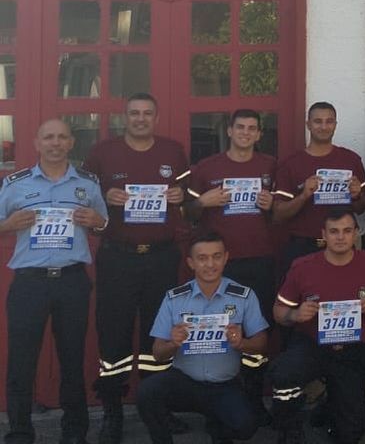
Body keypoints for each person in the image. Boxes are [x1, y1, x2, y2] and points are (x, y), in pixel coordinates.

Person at [83, 93, 191, 444]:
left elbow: (191, 195)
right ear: (124, 117)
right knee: (113, 332)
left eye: (147, 113)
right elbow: (81, 196)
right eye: (134, 113)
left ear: (156, 118)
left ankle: (156, 408)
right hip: (118, 256)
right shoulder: (103, 152)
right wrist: (105, 195)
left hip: (161, 256)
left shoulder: (173, 151)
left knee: (158, 334)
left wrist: (181, 196)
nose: (140, 119)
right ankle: (112, 411)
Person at [1, 119, 108, 444]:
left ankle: (74, 432)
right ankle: (20, 432)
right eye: (49, 137)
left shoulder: (88, 184)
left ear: (72, 142)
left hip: (72, 282)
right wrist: (8, 225)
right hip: (29, 284)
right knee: (21, 362)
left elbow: (103, 224)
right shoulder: (15, 184)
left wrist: (98, 221)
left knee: (72, 360)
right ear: (37, 143)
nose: (55, 143)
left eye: (62, 137)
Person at [186, 108, 278, 421]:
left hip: (260, 259)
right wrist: (202, 202)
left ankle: (254, 399)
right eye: (240, 127)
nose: (245, 133)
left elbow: (283, 210)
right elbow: (185, 212)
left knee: (257, 331)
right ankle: (220, 400)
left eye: (252, 128)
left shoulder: (270, 166)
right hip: (220, 266)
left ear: (259, 133)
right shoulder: (207, 167)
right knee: (219, 330)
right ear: (229, 130)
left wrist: (272, 204)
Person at [137, 230, 270, 444]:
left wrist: (241, 343)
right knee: (147, 392)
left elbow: (261, 343)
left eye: (216, 256)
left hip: (224, 384)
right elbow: (158, 353)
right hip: (185, 382)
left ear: (226, 258)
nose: (210, 264)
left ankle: (218, 429)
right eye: (202, 258)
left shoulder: (244, 296)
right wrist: (173, 344)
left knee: (247, 426)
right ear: (191, 263)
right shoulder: (174, 298)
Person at [269, 209, 365, 444]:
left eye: (346, 231)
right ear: (323, 234)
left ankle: (331, 406)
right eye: (334, 232)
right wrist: (295, 314)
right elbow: (278, 312)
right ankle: (288, 427)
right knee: (283, 373)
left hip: (351, 347)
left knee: (351, 433)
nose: (340, 237)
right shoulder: (302, 266)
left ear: (356, 233)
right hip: (311, 344)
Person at [273, 102, 365, 274]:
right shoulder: (291, 163)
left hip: (342, 246)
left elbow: (361, 209)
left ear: (335, 125)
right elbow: (278, 215)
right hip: (303, 246)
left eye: (329, 121)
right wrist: (303, 196)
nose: (324, 127)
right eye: (318, 121)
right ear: (308, 124)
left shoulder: (351, 159)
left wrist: (356, 195)